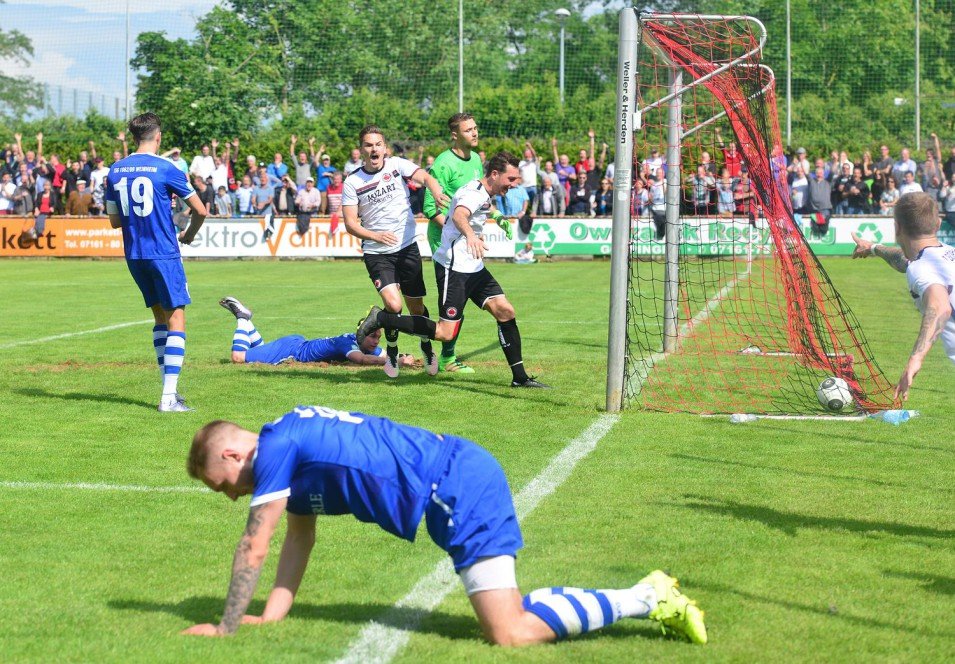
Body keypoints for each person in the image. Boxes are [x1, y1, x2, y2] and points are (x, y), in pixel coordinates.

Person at [181, 406, 708, 644]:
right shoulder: (287, 451)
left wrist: (227, 626)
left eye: (221, 485)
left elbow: (255, 544)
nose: (231, 495)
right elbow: (299, 538)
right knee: (511, 619)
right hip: (456, 478)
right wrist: (272, 616)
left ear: (232, 455)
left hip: (457, 487)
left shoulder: (275, 449)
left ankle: (647, 597)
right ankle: (634, 597)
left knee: (510, 633)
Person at [356, 152, 548, 389]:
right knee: (445, 333)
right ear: (495, 174)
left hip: (474, 267)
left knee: (505, 311)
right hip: (455, 268)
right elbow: (459, 215)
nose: (514, 184)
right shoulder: (473, 192)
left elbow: (479, 207)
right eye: (510, 179)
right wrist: (471, 236)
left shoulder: (482, 191)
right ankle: (382, 318)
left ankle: (520, 377)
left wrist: (496, 216)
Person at [104, 112, 208, 412]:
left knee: (160, 319)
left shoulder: (116, 170)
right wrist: (188, 235)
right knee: (177, 319)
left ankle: (169, 392)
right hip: (163, 252)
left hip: (135, 254)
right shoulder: (167, 168)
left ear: (135, 137)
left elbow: (114, 221)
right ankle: (168, 397)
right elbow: (201, 210)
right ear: (158, 136)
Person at [343, 124, 449, 378]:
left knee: (416, 308)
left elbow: (424, 177)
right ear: (361, 150)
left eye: (378, 144)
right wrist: (375, 235)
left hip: (407, 247)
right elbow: (350, 224)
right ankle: (392, 351)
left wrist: (435, 189)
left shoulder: (397, 165)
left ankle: (426, 347)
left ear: (385, 148)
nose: (374, 149)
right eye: (368, 145)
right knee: (393, 305)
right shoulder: (352, 182)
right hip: (377, 252)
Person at [850, 192, 955, 399]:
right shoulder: (942, 255)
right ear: (938, 224)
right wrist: (872, 248)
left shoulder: (922, 268)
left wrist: (916, 359)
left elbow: (940, 307)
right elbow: (906, 261)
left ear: (897, 228)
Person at [422, 112, 485, 375]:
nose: (474, 132)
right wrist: (459, 231)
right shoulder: (443, 163)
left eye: (475, 128)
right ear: (454, 135)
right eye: (468, 130)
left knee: (462, 299)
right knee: (452, 303)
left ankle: (448, 355)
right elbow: (430, 208)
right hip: (445, 243)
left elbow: (479, 199)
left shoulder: (476, 160)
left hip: (465, 240)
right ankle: (447, 357)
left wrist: (481, 226)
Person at [218, 296, 410, 368]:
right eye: (373, 336)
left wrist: (402, 357)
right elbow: (362, 360)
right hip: (291, 351)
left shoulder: (365, 344)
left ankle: (248, 325)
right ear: (362, 333)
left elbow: (383, 354)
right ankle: (242, 318)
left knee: (258, 351)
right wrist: (395, 363)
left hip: (296, 344)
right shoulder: (348, 344)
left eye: (378, 338)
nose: (376, 341)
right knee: (238, 357)